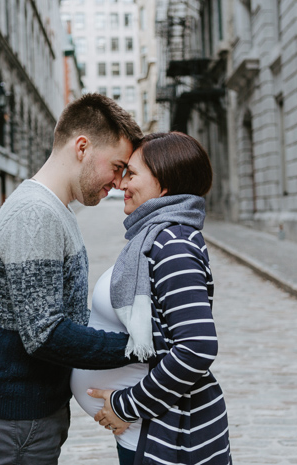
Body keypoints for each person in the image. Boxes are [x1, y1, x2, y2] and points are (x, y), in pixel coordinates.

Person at [0, 93, 143, 465]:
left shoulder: (53, 209)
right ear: (82, 147)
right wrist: (137, 348)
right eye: (117, 165)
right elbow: (44, 334)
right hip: (15, 418)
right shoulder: (35, 214)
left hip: (25, 414)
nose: (119, 181)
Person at [77, 132, 233, 465]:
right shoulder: (154, 236)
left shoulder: (172, 241)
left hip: (165, 435)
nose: (121, 183)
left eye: (131, 173)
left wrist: (125, 405)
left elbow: (198, 347)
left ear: (163, 185)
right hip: (145, 431)